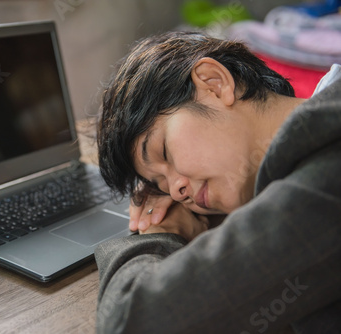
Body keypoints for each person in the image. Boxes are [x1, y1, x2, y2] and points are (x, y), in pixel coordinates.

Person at [94, 31, 341, 334]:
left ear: (214, 83)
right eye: (159, 183)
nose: (175, 190)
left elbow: (130, 322)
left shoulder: (327, 169)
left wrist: (159, 235)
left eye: (164, 152)